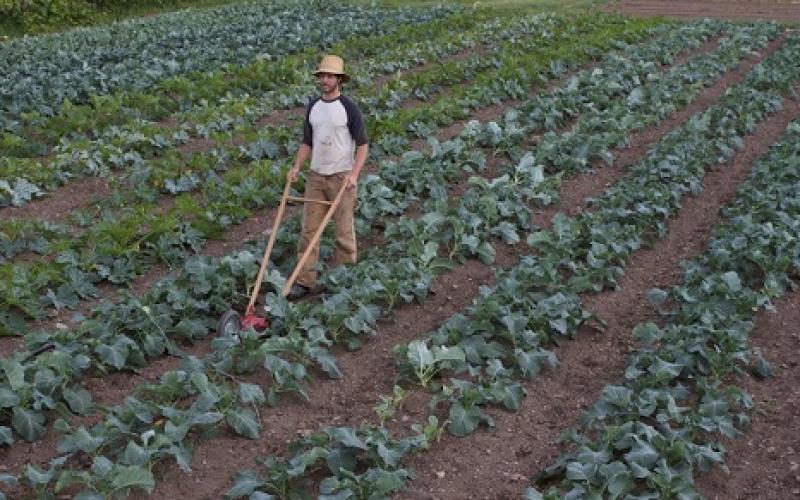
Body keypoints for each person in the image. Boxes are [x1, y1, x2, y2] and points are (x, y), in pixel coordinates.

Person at [286, 55, 369, 299]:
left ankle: (345, 282)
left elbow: (363, 145)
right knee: (308, 231)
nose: (325, 80)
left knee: (343, 232)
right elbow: (307, 141)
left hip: (341, 177)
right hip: (316, 177)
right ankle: (305, 281)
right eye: (322, 76)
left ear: (339, 79)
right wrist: (296, 167)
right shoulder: (313, 106)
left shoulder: (349, 108)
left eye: (330, 76)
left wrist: (354, 174)